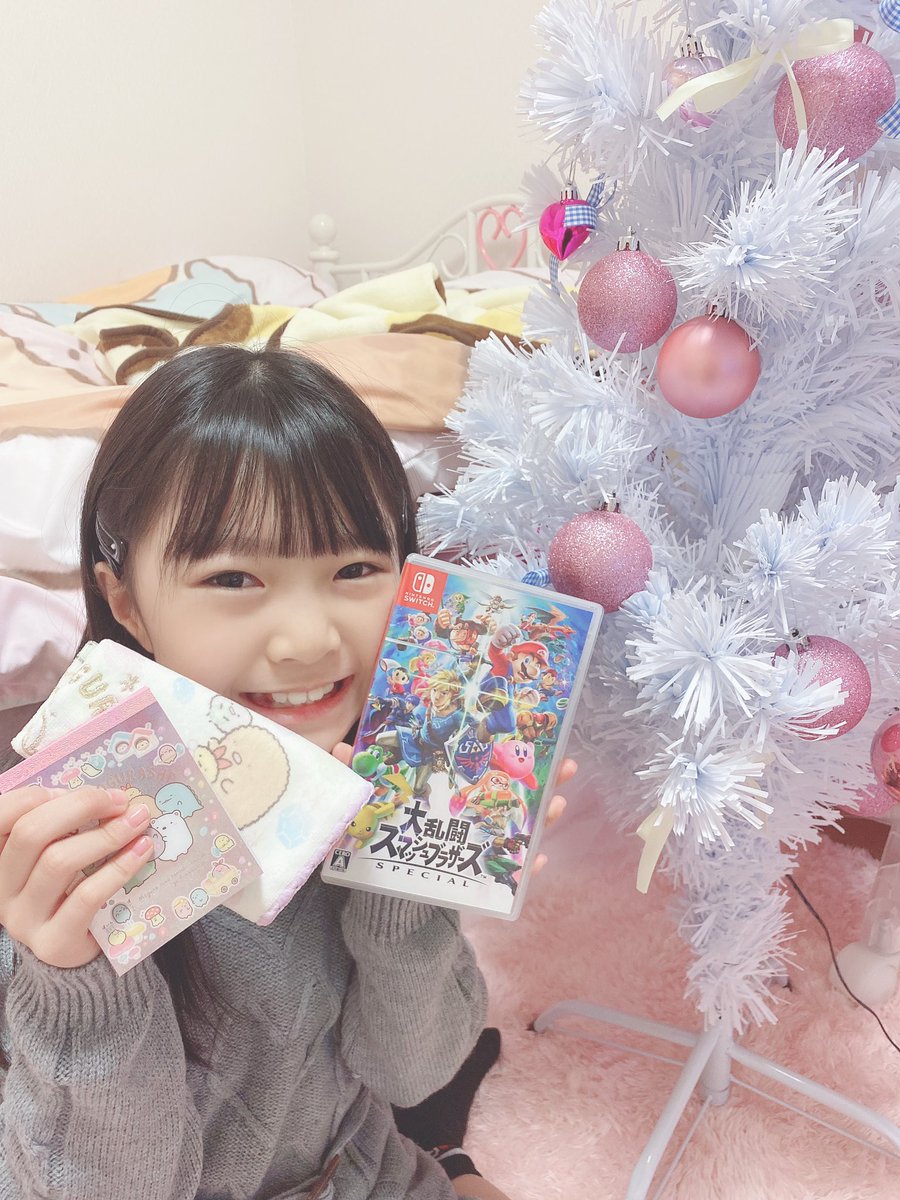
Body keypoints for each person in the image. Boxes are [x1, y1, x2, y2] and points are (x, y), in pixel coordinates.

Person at [0, 346, 572, 1200]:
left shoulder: (386, 773)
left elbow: (410, 1072)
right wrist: (74, 978)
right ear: (126, 603)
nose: (308, 640)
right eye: (233, 577)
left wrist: (405, 878)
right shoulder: (57, 847)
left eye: (355, 570)